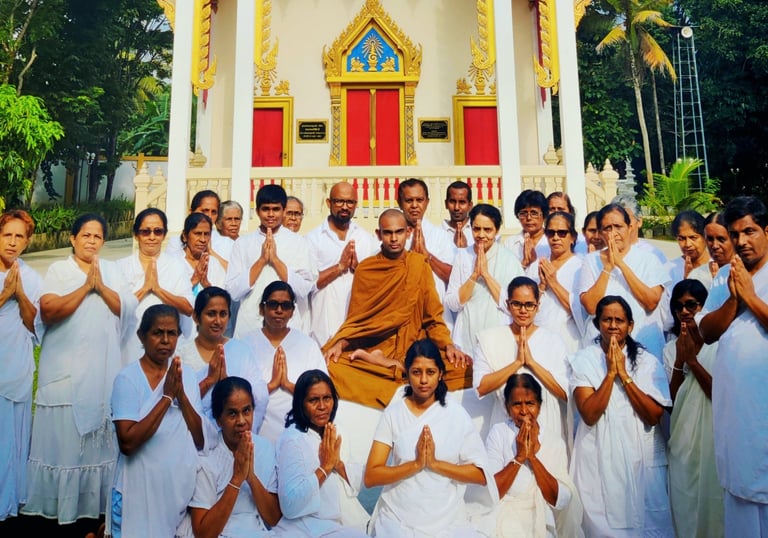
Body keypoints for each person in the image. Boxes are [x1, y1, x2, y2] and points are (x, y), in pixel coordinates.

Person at [23, 214, 136, 524]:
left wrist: (102, 287)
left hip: (103, 369)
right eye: (85, 235)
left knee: (99, 443)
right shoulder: (60, 270)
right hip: (64, 369)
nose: (91, 241)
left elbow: (128, 309)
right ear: (73, 239)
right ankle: (60, 507)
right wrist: (87, 287)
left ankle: (95, 509)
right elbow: (48, 310)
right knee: (65, 441)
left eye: (97, 236)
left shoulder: (112, 270)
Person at [323, 209, 472, 409]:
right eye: (388, 233)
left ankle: (397, 367)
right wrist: (339, 345)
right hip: (376, 348)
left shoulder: (419, 265)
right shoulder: (366, 269)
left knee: (466, 369)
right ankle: (394, 367)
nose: (394, 238)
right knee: (331, 366)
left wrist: (448, 346)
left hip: (414, 350)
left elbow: (433, 318)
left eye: (399, 232)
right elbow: (357, 322)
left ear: (408, 232)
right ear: (378, 234)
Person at [364, 339, 495, 537]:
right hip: (398, 518)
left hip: (448, 520)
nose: (423, 380)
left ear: (440, 374)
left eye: (430, 372)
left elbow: (480, 475)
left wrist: (434, 464)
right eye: (416, 372)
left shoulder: (456, 415)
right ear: (407, 373)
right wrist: (416, 465)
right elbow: (371, 476)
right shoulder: (394, 413)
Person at [570, 295, 673, 537]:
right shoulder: (584, 361)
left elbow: (653, 416)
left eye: (619, 320)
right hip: (597, 460)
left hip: (641, 460)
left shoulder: (647, 362)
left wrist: (624, 376)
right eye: (607, 320)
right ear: (597, 324)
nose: (613, 325)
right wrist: (609, 375)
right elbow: (589, 414)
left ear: (630, 325)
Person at [699, 196, 768, 536]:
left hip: (764, 414)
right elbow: (706, 332)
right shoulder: (727, 275)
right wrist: (734, 297)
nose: (741, 241)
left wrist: (752, 298)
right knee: (740, 499)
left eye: (750, 231)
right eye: (735, 233)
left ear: (767, 231)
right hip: (737, 421)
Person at [110, 305, 205, 537]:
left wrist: (181, 396)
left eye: (171, 333)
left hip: (176, 491)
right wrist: (166, 397)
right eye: (157, 333)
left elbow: (200, 439)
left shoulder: (188, 377)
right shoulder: (127, 379)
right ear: (141, 336)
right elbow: (128, 444)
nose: (165, 340)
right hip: (138, 492)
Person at [480, 373, 583, 538]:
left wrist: (533, 457)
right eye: (516, 404)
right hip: (504, 516)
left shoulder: (554, 441)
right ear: (507, 408)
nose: (523, 411)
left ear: (539, 406)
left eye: (530, 403)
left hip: (541, 520)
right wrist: (519, 457)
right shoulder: (498, 433)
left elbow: (560, 499)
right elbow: (492, 492)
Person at [273, 370, 368, 536]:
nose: (322, 406)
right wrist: (325, 468)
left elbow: (356, 481)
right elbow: (290, 504)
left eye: (327, 398)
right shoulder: (293, 440)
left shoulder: (337, 431)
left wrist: (336, 464)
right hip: (308, 526)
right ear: (301, 404)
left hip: (345, 521)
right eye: (313, 400)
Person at [473, 277, 569, 441]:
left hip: (547, 426)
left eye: (529, 305)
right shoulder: (489, 339)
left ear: (538, 306)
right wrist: (516, 363)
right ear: (508, 304)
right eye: (517, 304)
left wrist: (531, 363)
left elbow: (565, 393)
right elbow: (480, 387)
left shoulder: (553, 341)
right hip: (505, 426)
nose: (523, 310)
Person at [184, 377, 281, 538]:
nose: (242, 421)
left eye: (247, 411)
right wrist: (236, 479)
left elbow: (274, 518)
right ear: (218, 419)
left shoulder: (264, 448)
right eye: (232, 414)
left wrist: (250, 477)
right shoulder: (207, 457)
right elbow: (203, 534)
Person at [663, 279, 723, 538]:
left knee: (714, 505)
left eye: (691, 305)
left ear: (703, 307)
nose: (685, 311)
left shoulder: (719, 346)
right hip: (683, 440)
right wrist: (679, 360)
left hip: (714, 439)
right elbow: (673, 401)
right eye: (678, 306)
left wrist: (693, 362)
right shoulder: (668, 349)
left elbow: (718, 394)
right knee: (684, 505)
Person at [579, 203, 669, 358]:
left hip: (643, 344)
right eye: (607, 228)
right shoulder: (591, 261)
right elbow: (591, 307)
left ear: (629, 227)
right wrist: (607, 268)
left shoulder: (649, 259)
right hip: (602, 347)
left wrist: (620, 264)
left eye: (618, 227)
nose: (613, 233)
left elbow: (651, 302)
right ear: (600, 233)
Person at [225, 184, 316, 338]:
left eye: (276, 209)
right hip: (250, 324)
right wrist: (261, 261)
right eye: (266, 209)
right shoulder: (243, 243)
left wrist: (275, 261)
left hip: (288, 326)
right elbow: (233, 291)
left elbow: (304, 289)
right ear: (257, 211)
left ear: (284, 210)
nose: (271, 214)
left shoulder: (299, 243)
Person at [177, 287, 268, 433]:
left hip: (237, 438)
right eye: (211, 314)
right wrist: (209, 381)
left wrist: (229, 385)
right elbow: (177, 402)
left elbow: (259, 397)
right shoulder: (181, 356)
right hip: (194, 439)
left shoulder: (241, 350)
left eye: (223, 314)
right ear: (196, 317)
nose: (218, 321)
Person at [245, 281, 327, 443]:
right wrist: (272, 385)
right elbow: (237, 396)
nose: (279, 310)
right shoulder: (246, 345)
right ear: (262, 309)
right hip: (255, 436)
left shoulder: (307, 345)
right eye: (273, 304)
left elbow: (323, 395)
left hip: (299, 437)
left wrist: (288, 385)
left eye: (286, 305)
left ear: (292, 311)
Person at [0, 209, 41, 521]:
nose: (12, 242)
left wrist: (20, 294)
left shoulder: (31, 277)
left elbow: (34, 325)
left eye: (19, 237)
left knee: (12, 437)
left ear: (27, 242)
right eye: (7, 235)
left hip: (16, 363)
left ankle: (8, 503)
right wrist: (4, 297)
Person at [305, 181, 378, 346]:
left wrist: (358, 269)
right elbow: (308, 284)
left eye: (350, 202)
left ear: (356, 205)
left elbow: (375, 284)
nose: (345, 207)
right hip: (323, 329)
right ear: (329, 203)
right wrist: (339, 267)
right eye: (339, 201)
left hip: (356, 329)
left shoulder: (365, 239)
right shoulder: (312, 239)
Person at [118, 208, 193, 362]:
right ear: (136, 234)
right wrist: (145, 289)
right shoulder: (121, 267)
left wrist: (158, 290)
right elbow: (116, 308)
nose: (152, 237)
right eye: (146, 231)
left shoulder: (177, 266)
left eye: (157, 231)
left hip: (168, 346)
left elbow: (188, 308)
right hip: (129, 343)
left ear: (164, 235)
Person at [445, 203, 522, 351]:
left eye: (487, 230)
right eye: (476, 229)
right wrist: (474, 275)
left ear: (497, 230)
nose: (481, 235)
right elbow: (452, 304)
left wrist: (486, 275)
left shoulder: (509, 260)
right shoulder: (463, 256)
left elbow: (513, 306)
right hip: (465, 337)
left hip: (499, 336)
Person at [397, 178, 456, 327]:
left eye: (420, 200)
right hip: (402, 313)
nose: (415, 205)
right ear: (399, 203)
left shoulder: (440, 235)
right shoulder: (390, 235)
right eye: (409, 200)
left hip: (436, 314)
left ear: (427, 202)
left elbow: (453, 276)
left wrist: (427, 257)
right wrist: (409, 256)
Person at [526, 211, 583, 352]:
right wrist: (541, 287)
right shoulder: (536, 266)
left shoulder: (581, 266)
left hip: (569, 340)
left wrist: (554, 283)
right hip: (538, 337)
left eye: (562, 233)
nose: (556, 237)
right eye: (551, 233)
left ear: (573, 237)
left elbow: (583, 311)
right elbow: (525, 306)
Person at [167, 190, 229, 267]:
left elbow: (233, 274)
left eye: (213, 212)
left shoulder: (226, 243)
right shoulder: (176, 242)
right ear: (191, 212)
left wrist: (211, 252)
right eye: (204, 211)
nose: (209, 216)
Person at [179, 212, 227, 300]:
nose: (203, 239)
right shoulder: (173, 262)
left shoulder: (214, 264)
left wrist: (206, 284)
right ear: (185, 236)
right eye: (197, 234)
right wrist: (193, 280)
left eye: (207, 234)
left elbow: (222, 299)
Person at [503, 189, 549, 269]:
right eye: (523, 213)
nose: (528, 218)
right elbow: (505, 275)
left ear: (544, 215)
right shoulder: (510, 244)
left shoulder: (551, 241)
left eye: (534, 213)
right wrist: (524, 264)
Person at [442, 181, 474, 249]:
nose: (456, 207)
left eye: (462, 202)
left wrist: (466, 249)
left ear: (470, 205)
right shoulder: (438, 233)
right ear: (446, 204)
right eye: (452, 201)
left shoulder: (477, 231)